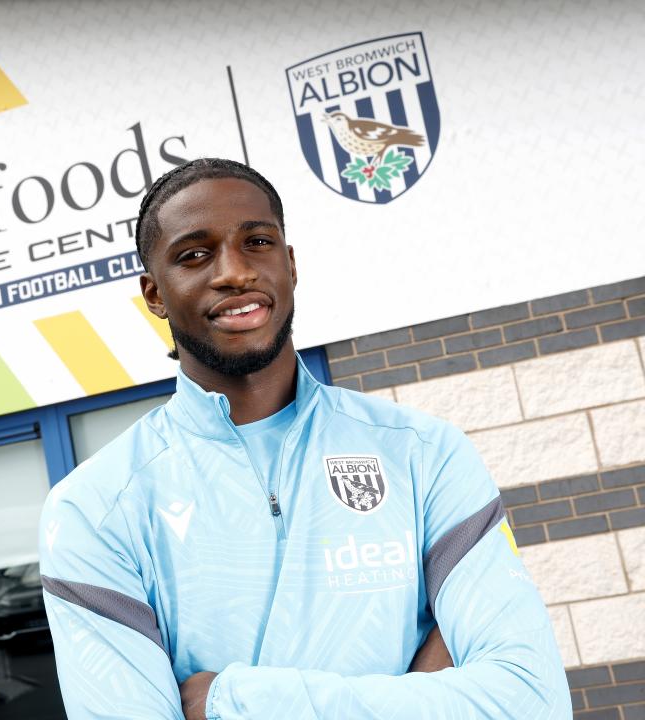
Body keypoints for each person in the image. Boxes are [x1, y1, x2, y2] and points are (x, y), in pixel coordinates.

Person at [38, 158, 571, 719]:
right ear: (154, 294)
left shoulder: (423, 454)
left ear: (289, 264)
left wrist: (235, 701)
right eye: (194, 255)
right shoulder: (96, 510)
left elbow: (532, 701)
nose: (234, 272)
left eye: (257, 242)